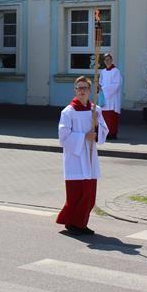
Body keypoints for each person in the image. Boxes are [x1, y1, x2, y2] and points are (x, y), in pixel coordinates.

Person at [55, 76, 109, 236]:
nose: (81, 91)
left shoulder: (95, 110)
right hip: (75, 157)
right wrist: (84, 137)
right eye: (79, 88)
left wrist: (97, 126)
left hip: (90, 156)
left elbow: (105, 130)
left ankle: (78, 222)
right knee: (76, 194)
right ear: (75, 90)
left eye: (84, 88)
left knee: (89, 194)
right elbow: (63, 137)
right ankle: (73, 223)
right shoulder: (68, 112)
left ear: (89, 91)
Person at [98, 53, 122, 140]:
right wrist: (99, 87)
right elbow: (100, 82)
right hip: (104, 98)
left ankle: (112, 133)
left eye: (108, 59)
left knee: (112, 116)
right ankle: (105, 133)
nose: (107, 61)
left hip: (112, 98)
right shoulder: (103, 72)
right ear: (104, 61)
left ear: (111, 60)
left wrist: (104, 89)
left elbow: (117, 84)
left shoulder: (116, 71)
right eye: (105, 60)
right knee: (104, 116)